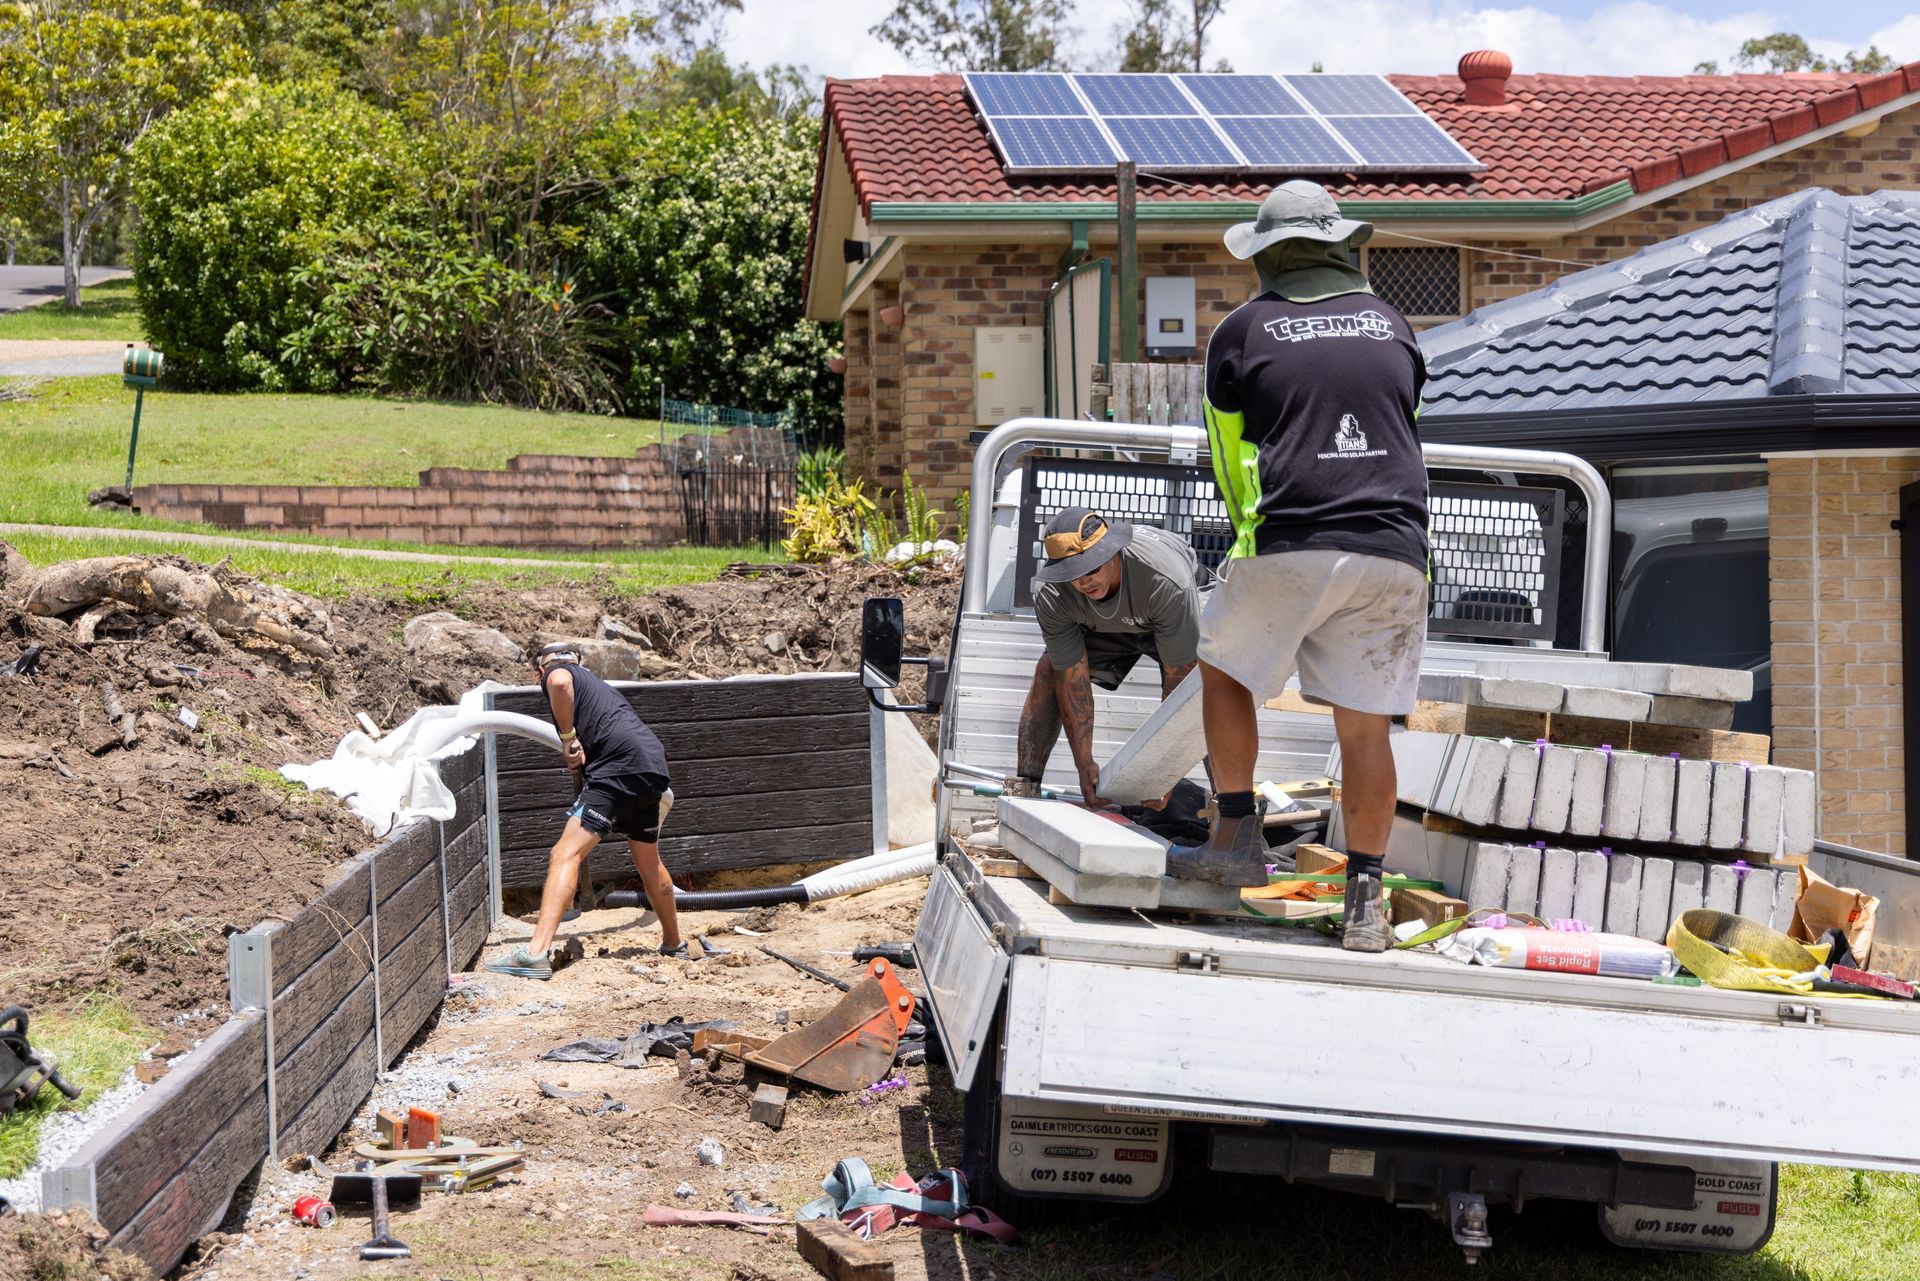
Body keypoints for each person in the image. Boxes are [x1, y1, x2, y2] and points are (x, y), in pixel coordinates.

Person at [1166, 180, 1430, 955]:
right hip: (1396, 551)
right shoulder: (1393, 323)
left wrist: (1257, 539)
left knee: (1222, 666)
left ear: (1267, 257)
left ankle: (1236, 836)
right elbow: (1404, 429)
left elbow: (1230, 460)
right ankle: (1366, 902)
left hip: (1293, 538)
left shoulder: (1243, 332)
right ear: (1342, 246)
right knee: (1365, 725)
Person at [484, 643, 684, 979]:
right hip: (650, 764)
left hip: (618, 767)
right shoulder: (596, 687)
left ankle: (535, 953)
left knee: (565, 854)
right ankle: (674, 942)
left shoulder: (559, 674)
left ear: (539, 670)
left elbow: (559, 683)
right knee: (649, 862)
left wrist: (567, 738)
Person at [1011, 506, 1203, 806]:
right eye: (1072, 574)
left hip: (1168, 610)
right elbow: (1072, 680)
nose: (1084, 582)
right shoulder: (1053, 595)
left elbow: (1181, 684)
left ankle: (1231, 815)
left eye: (1092, 569)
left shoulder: (1165, 580)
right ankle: (1024, 791)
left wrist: (1163, 772)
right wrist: (1083, 763)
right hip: (1114, 626)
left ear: (1112, 552)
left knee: (1210, 686)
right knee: (1050, 667)